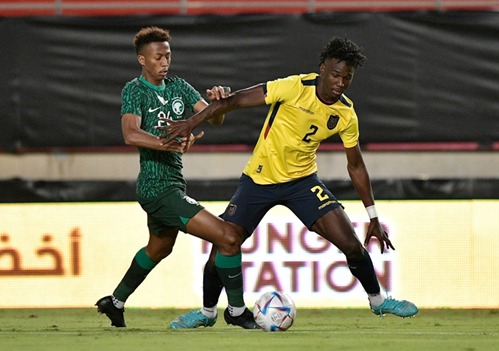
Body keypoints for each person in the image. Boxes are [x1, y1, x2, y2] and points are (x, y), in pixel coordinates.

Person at [162, 36, 418, 329]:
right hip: (259, 179)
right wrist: (190, 124)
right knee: (223, 243)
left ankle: (378, 300)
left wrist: (373, 215)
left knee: (351, 243)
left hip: (302, 182)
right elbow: (233, 101)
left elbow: (356, 165)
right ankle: (207, 313)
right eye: (335, 75)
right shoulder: (294, 87)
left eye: (347, 78)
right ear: (322, 70)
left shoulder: (345, 113)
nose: (340, 83)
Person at [95, 26, 260, 329]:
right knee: (229, 237)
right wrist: (170, 142)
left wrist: (219, 102)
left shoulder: (180, 87)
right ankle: (236, 311)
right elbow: (130, 133)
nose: (165, 62)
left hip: (173, 182)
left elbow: (215, 117)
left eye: (168, 56)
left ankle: (114, 302)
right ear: (142, 60)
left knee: (159, 248)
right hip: (156, 187)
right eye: (158, 57)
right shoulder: (134, 90)